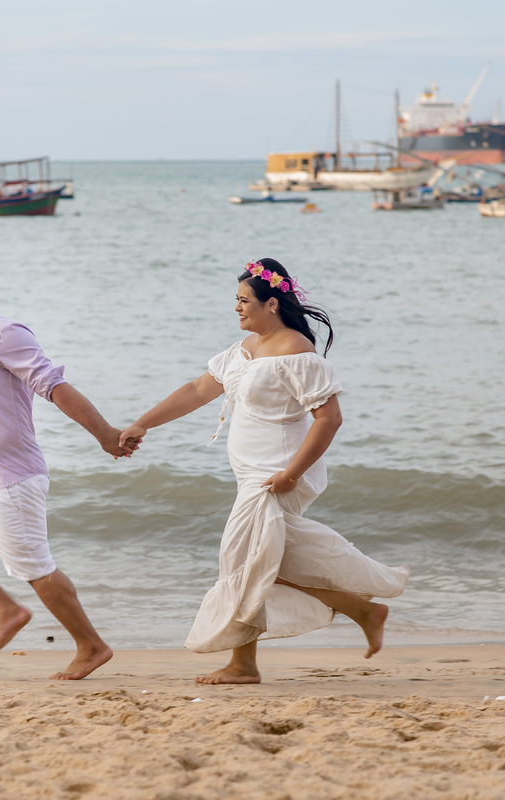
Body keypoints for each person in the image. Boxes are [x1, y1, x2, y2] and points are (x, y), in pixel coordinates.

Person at [119, 258, 409, 685]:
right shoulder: (245, 350)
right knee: (266, 560)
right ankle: (362, 609)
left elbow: (329, 419)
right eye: (235, 300)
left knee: (242, 559)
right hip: (253, 473)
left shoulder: (296, 351)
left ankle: (244, 664)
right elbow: (199, 389)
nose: (237, 308)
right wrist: (143, 422)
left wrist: (291, 474)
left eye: (244, 301)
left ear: (271, 304)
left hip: (276, 473)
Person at [0, 255, 134, 680]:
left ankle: (92, 646)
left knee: (37, 569)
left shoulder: (4, 335)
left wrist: (106, 434)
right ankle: (7, 610)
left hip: (7, 481)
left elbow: (53, 386)